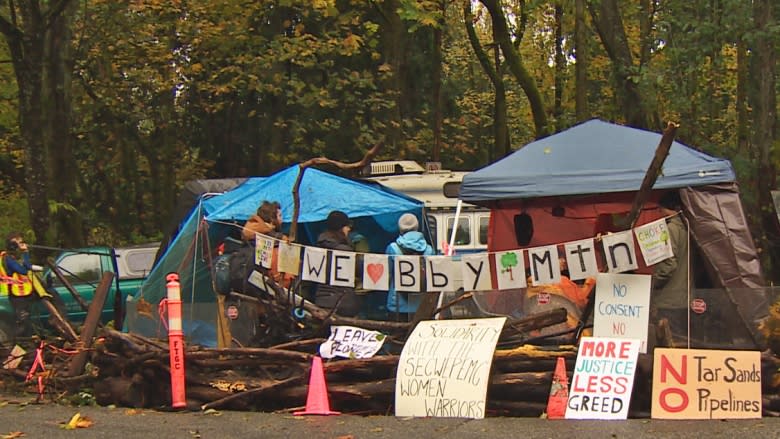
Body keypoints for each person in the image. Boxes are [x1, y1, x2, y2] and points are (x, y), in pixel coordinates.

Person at [651, 191, 689, 339]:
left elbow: (669, 264)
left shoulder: (670, 229)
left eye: (660, 210)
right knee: (682, 339)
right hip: (685, 296)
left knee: (668, 339)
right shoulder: (688, 227)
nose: (660, 214)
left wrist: (654, 282)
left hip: (669, 297)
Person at [1, 232, 51, 341]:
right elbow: (23, 270)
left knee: (29, 321)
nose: (22, 244)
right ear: (12, 246)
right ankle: (23, 345)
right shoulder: (8, 259)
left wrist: (25, 253)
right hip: (16, 296)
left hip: (23, 293)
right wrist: (25, 253)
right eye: (19, 243)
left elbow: (27, 266)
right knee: (23, 322)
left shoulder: (14, 258)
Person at [385, 213, 434, 321]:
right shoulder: (429, 250)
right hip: (421, 304)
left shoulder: (393, 248)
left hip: (397, 304)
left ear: (400, 229)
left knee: (397, 336)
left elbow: (387, 275)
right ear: (417, 227)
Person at [314, 211, 361, 317]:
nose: (349, 229)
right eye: (346, 226)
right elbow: (359, 270)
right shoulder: (345, 250)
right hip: (343, 303)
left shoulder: (317, 247)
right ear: (340, 228)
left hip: (321, 301)